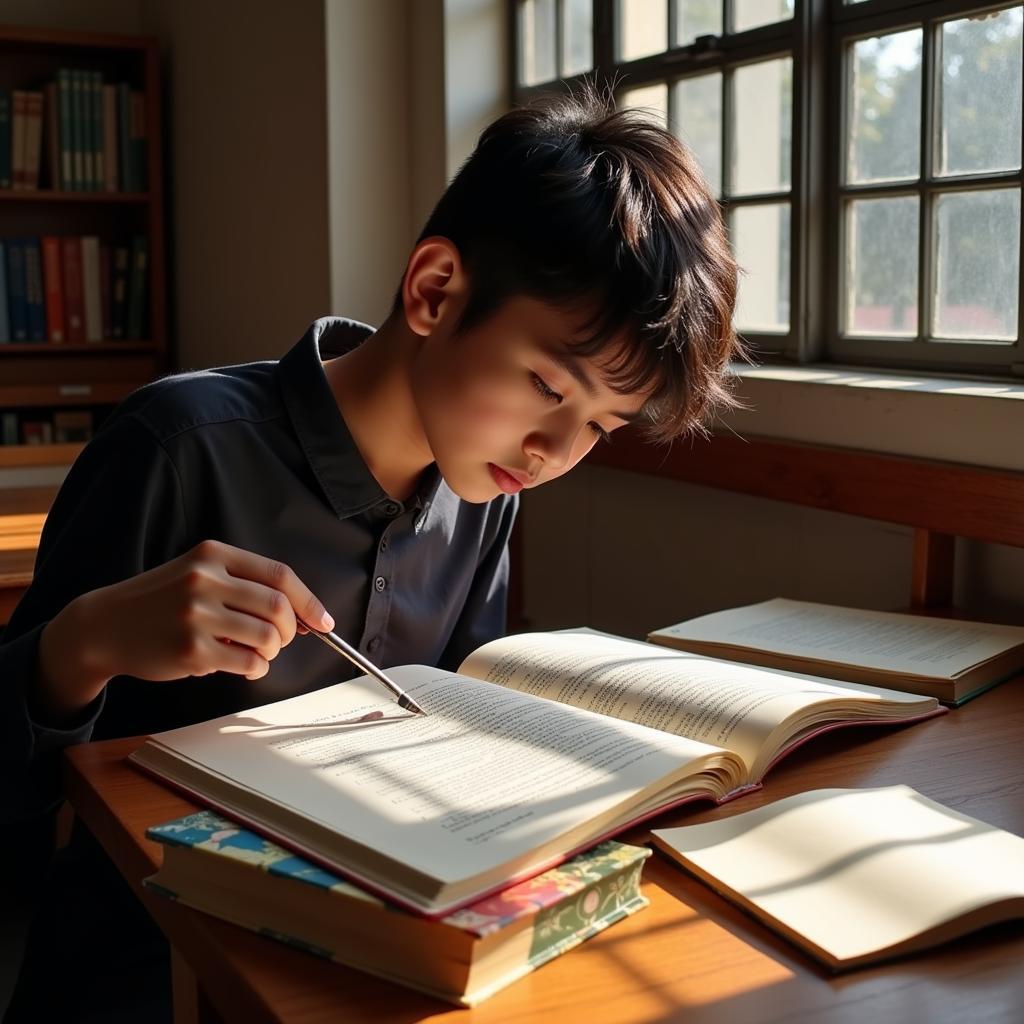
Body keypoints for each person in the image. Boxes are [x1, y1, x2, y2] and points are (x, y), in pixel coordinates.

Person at [0, 86, 741, 1020]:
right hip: (151, 967)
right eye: (548, 386)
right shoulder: (178, 447)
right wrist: (84, 645)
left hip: (375, 964)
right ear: (434, 289)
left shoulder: (484, 491)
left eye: (600, 425)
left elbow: (449, 727)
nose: (557, 452)